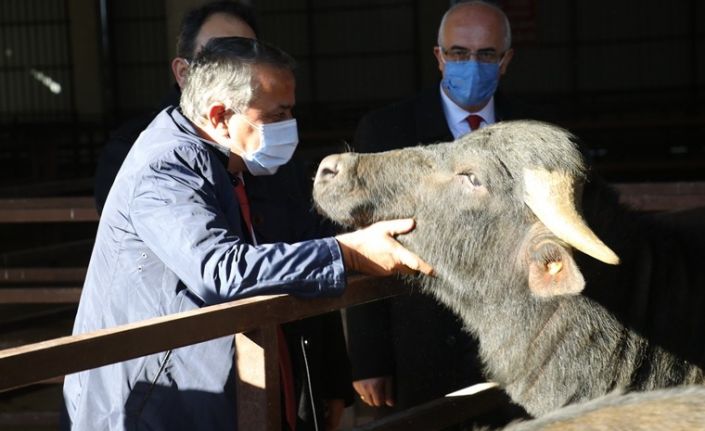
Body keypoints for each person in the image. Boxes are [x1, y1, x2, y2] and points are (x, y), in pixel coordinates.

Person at [62, 36, 433, 431]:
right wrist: (347, 254)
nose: (290, 128)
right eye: (276, 115)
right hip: (153, 403)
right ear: (220, 116)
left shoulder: (220, 160)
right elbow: (221, 270)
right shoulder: (166, 168)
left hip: (192, 386)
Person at [346, 0, 534, 412]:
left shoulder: (536, 130)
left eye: (486, 54)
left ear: (506, 61)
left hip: (517, 344)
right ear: (439, 57)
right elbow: (363, 242)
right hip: (420, 340)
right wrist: (369, 358)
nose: (473, 64)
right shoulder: (386, 131)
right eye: (459, 53)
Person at [94, 0, 258, 213]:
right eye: (221, 60)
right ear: (183, 72)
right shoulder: (134, 149)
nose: (238, 73)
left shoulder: (266, 143)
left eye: (250, 59)